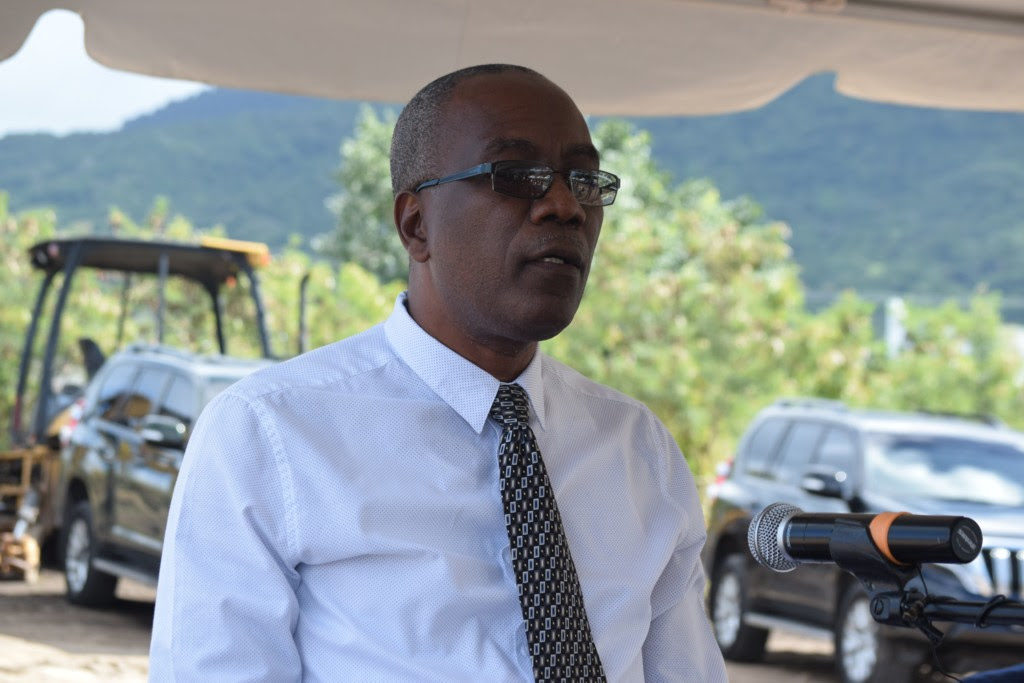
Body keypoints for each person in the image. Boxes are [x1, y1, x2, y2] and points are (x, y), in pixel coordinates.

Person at [149, 63, 727, 682]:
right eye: (515, 176)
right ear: (415, 224)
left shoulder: (638, 452)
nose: (565, 206)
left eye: (584, 181)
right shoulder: (270, 434)